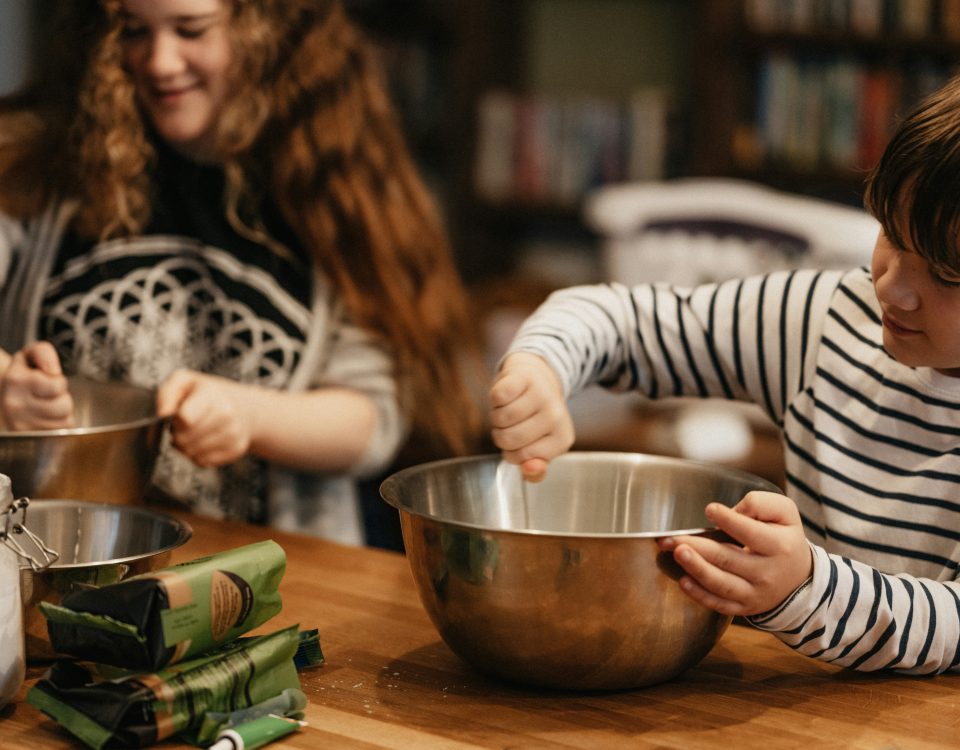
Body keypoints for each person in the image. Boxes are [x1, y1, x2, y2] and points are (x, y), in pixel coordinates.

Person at [489, 74, 960, 674]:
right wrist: (541, 368)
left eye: (944, 275)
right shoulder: (828, 320)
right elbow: (619, 318)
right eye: (892, 234)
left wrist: (806, 589)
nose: (890, 286)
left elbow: (954, 627)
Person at [0, 0, 480, 544]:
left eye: (191, 29)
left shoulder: (333, 185)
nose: (158, 62)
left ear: (265, 31)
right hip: (46, 552)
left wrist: (249, 417)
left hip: (273, 576)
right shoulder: (36, 163)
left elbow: (372, 422)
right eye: (134, 31)